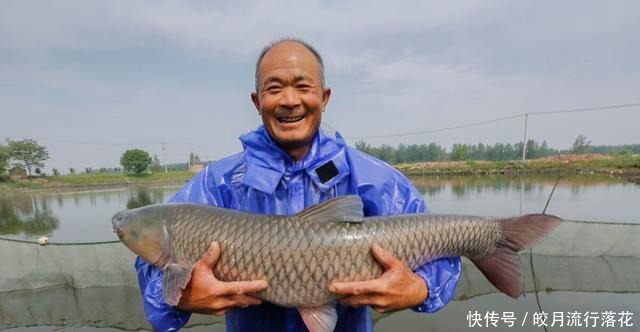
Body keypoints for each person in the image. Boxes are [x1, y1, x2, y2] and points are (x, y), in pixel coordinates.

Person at [135, 38, 461, 332]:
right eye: (274, 88)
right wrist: (181, 297)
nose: (290, 100)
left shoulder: (373, 177)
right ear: (256, 100)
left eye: (303, 87)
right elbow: (150, 264)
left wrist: (420, 287)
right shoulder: (218, 184)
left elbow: (440, 248)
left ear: (324, 96)